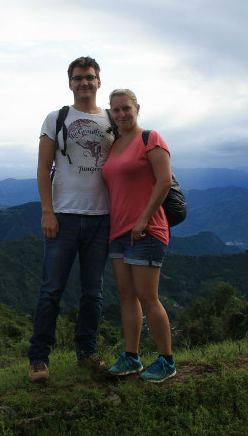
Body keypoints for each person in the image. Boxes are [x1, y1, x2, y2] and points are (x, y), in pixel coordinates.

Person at [27, 56, 115, 383]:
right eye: (78, 78)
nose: (84, 82)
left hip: (102, 217)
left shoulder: (112, 120)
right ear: (70, 83)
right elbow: (43, 168)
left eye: (89, 77)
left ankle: (87, 353)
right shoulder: (57, 118)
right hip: (63, 216)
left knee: (93, 292)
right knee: (51, 289)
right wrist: (47, 212)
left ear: (99, 82)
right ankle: (38, 359)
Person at [101, 88, 177, 383]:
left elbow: (164, 181)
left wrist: (143, 219)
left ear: (137, 108)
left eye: (126, 108)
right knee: (126, 294)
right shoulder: (114, 145)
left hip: (146, 230)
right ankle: (131, 356)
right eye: (116, 110)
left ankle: (166, 360)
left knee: (148, 297)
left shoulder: (151, 138)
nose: (121, 114)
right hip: (118, 231)